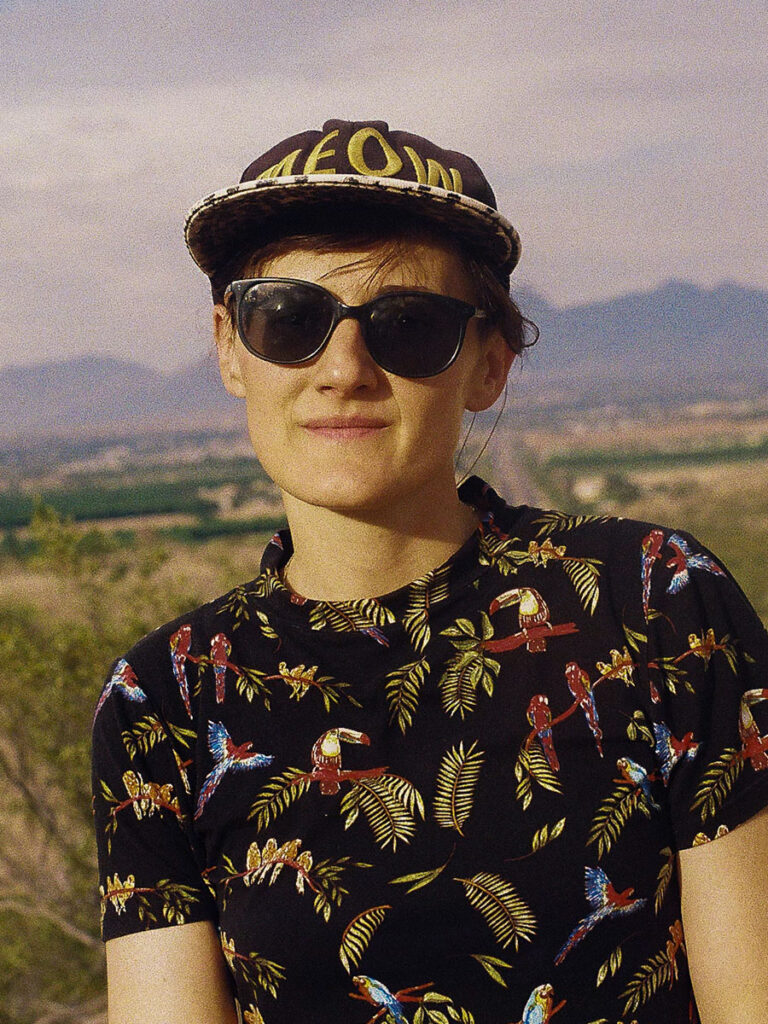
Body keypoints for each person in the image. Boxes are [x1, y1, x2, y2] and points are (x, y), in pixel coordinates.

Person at [92, 119, 768, 1024]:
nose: (343, 369)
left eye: (408, 327)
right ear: (229, 347)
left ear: (488, 364)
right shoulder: (167, 697)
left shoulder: (653, 597)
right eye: (287, 320)